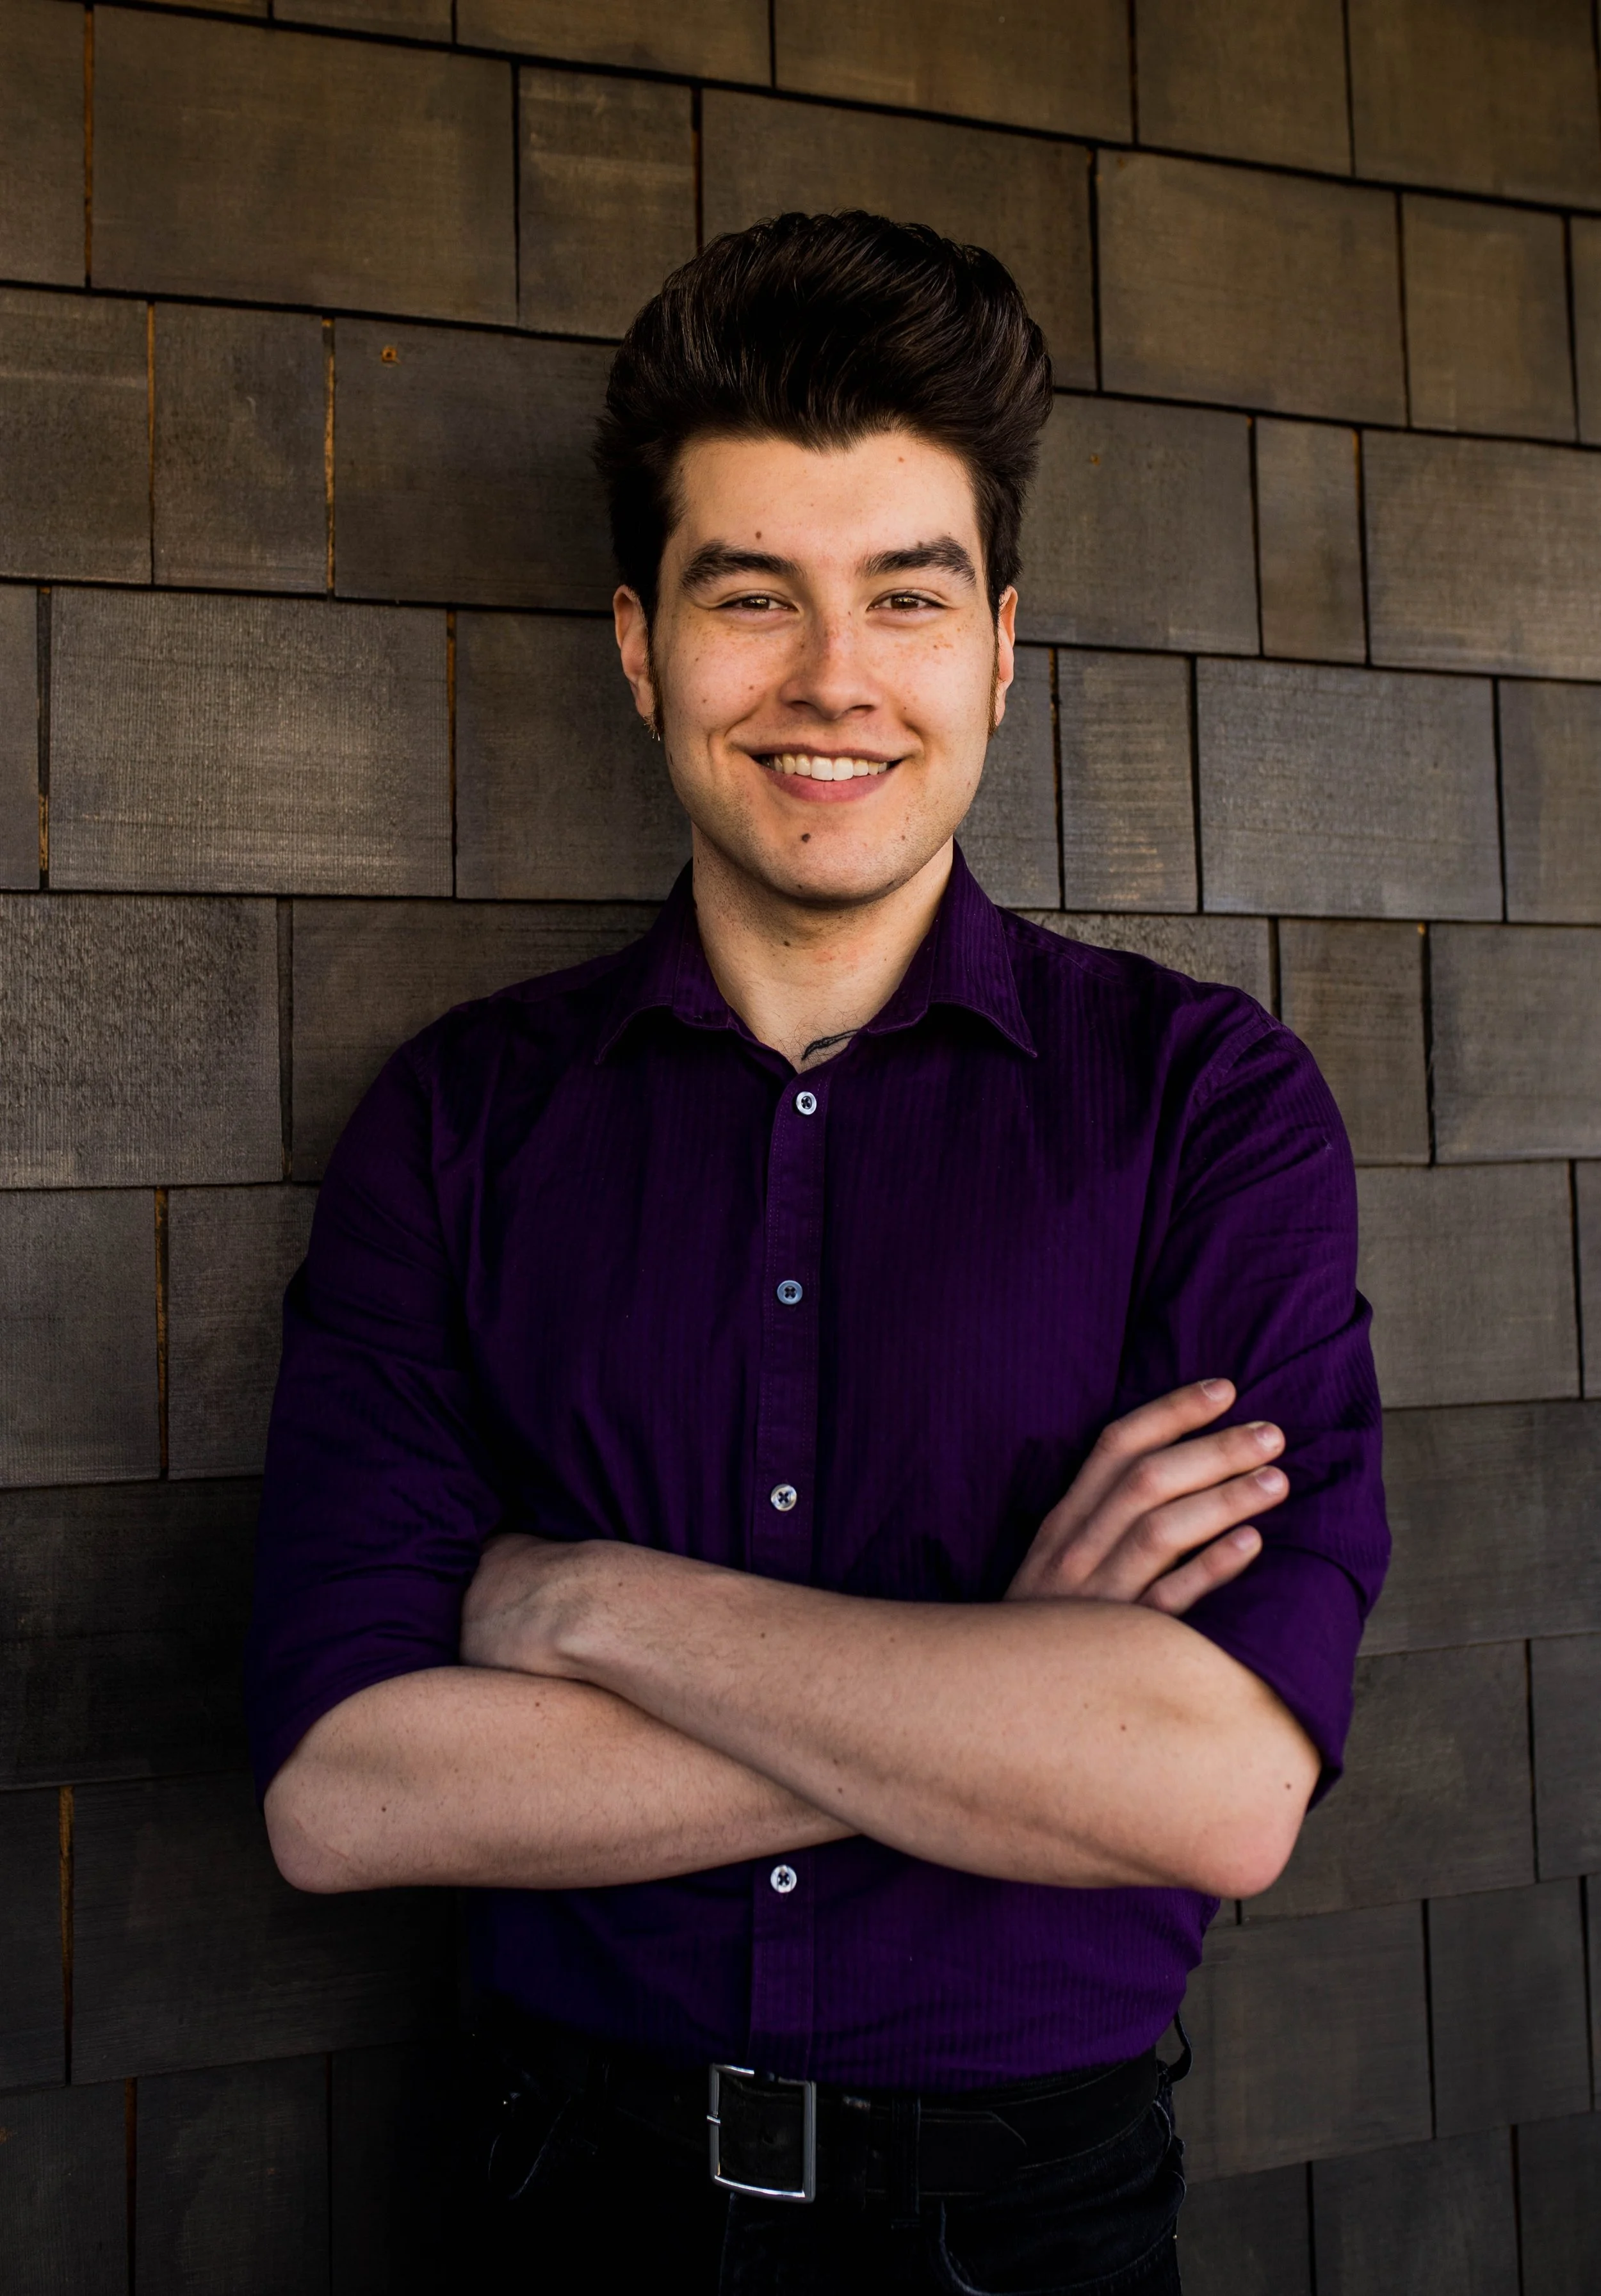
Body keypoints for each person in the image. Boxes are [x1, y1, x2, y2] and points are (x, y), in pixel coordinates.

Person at [247, 212, 1387, 2292]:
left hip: (1022, 2232)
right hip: (553, 2204)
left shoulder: (1201, 1108)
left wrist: (581, 1602)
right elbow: (351, 1796)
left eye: (905, 597)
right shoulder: (466, 1121)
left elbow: (1217, 1791)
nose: (831, 679)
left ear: (1001, 645)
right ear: (637, 641)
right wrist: (1006, 1692)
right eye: (750, 594)